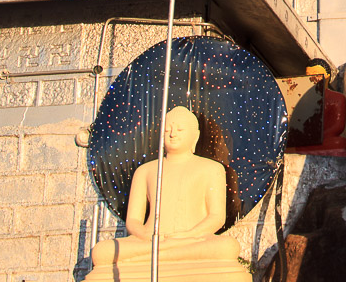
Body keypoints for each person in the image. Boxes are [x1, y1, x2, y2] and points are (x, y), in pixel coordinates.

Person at [86, 106, 247, 281]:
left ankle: (165, 255)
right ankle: (162, 255)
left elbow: (216, 217)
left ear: (195, 136)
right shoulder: (145, 171)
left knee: (227, 247)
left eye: (179, 129)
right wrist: (146, 235)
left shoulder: (211, 168)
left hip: (191, 241)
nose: (173, 134)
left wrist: (187, 236)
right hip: (150, 241)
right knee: (103, 252)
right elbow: (133, 221)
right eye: (168, 129)